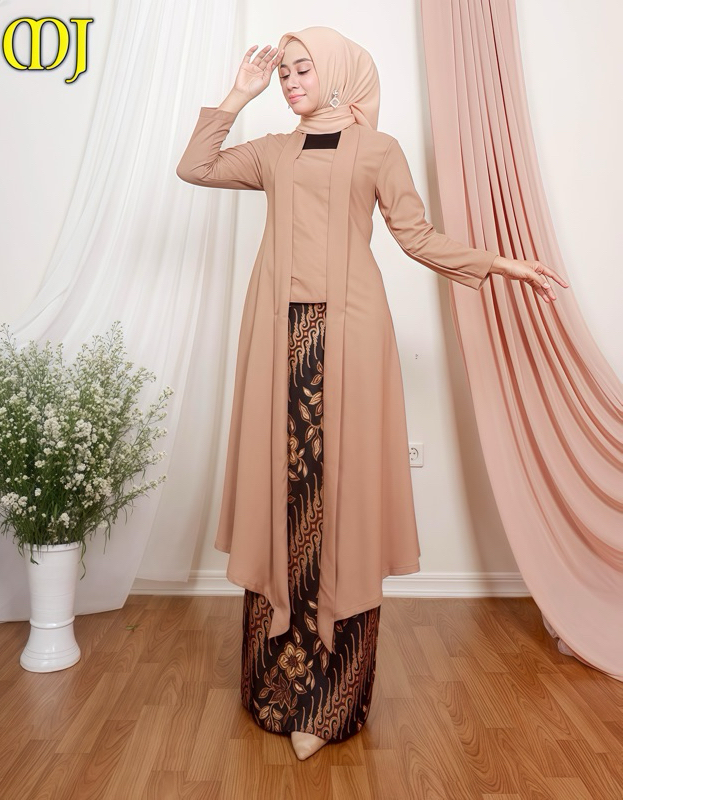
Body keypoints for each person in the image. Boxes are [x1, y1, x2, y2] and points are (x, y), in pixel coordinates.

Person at [176, 26, 568, 761]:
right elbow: (194, 166)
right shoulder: (272, 151)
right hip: (278, 341)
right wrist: (238, 94)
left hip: (350, 342)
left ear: (338, 73)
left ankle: (327, 703)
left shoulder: (378, 151)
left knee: (338, 503)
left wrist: (498, 264)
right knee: (285, 498)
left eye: (303, 69)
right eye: (284, 72)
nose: (290, 81)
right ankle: (276, 689)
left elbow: (417, 238)